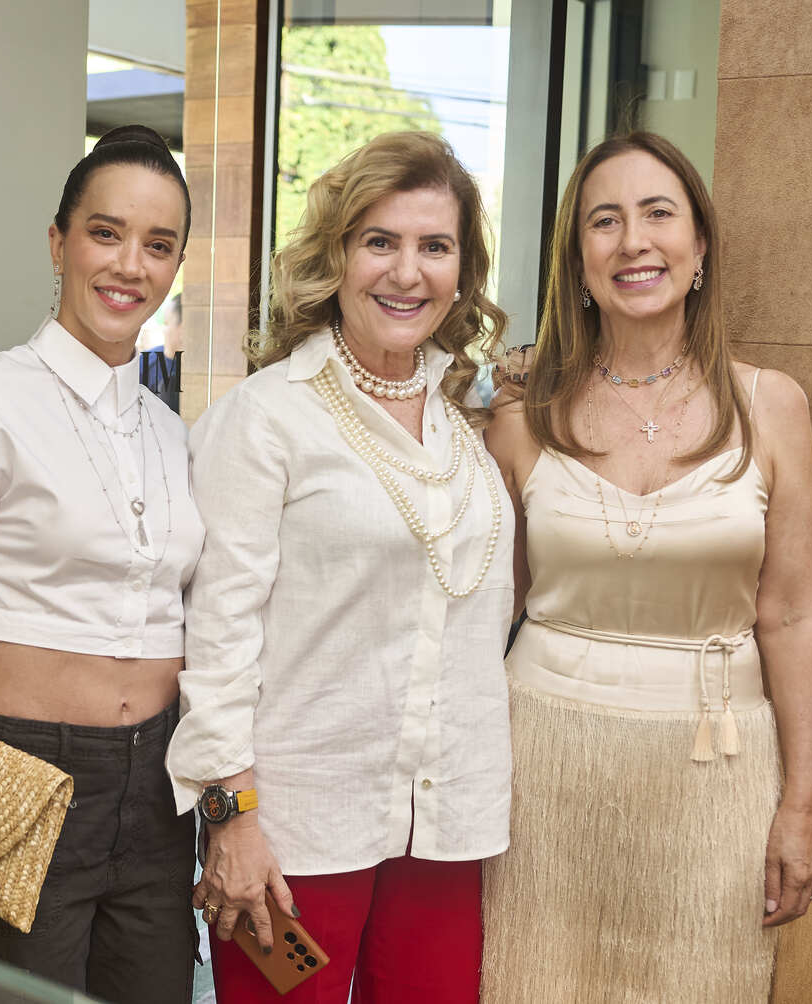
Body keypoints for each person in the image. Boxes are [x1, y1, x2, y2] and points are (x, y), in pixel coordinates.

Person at [166, 131, 513, 1003]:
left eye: (435, 247)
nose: (407, 272)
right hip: (292, 836)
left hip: (444, 821)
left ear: (463, 271)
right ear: (337, 257)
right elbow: (216, 643)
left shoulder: (461, 422)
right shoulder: (268, 418)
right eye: (380, 242)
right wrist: (229, 822)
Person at [482, 132, 812, 1001]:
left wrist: (804, 801)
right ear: (580, 261)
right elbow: (483, 610)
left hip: (717, 775)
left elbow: (789, 612)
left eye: (658, 213)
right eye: (606, 221)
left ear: (699, 247)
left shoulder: (771, 406)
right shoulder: (524, 415)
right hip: (541, 775)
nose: (634, 240)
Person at [0, 125, 203, 1002]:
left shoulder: (174, 435)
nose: (130, 264)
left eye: (158, 244)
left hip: (159, 788)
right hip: (20, 772)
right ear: (58, 242)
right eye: (106, 232)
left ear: (175, 266)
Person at [140, 293, 182, 411]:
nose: (163, 331)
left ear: (183, 328)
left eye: (167, 324)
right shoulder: (144, 364)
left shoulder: (207, 371)